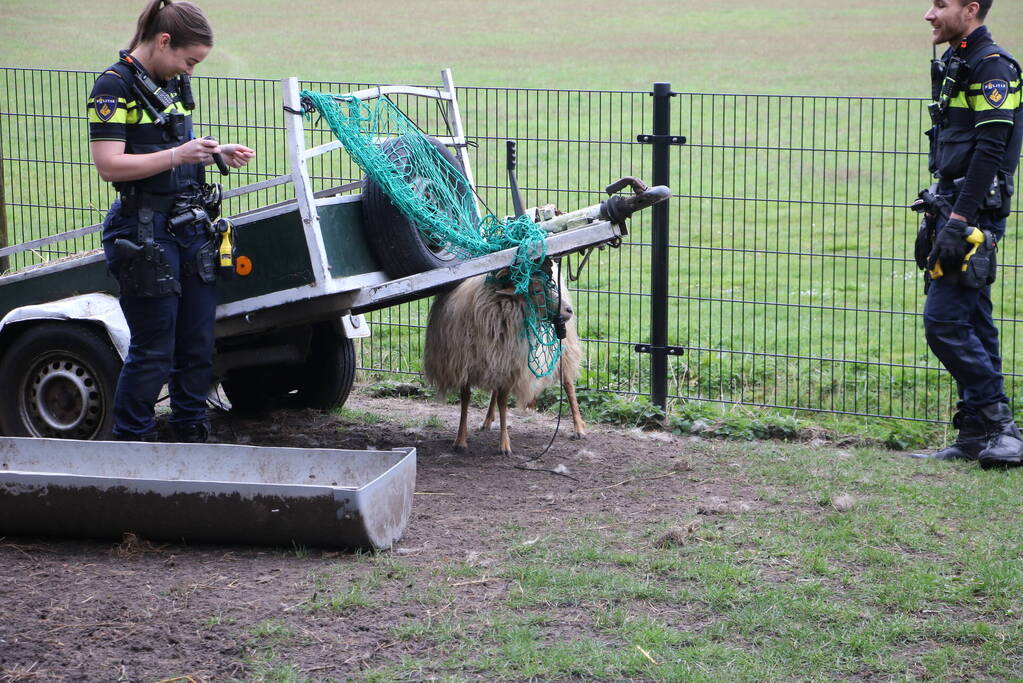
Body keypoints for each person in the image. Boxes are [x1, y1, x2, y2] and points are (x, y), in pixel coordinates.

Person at [87, 0, 255, 442]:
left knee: (198, 347)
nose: (190, 71)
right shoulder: (112, 86)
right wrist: (179, 155)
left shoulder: (173, 82)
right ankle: (133, 448)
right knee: (153, 351)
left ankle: (190, 438)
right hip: (143, 233)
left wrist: (213, 152)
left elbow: (172, 143)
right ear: (163, 41)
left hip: (190, 228)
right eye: (189, 60)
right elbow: (109, 164)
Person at [912, 0, 1023, 466]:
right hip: (953, 209)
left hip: (972, 216)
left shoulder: (993, 67)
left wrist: (959, 222)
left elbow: (991, 151)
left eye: (940, 3)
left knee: (943, 324)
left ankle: (1003, 427)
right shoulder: (958, 60)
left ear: (970, 8)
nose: (928, 13)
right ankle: (977, 435)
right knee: (974, 321)